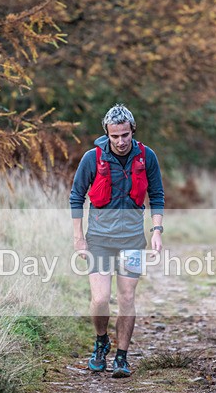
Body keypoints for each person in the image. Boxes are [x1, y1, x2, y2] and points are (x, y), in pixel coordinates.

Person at [69, 104, 165, 378]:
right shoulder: (92, 158)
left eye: (125, 135)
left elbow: (156, 195)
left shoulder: (147, 157)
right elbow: (77, 197)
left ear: (133, 131)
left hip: (133, 239)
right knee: (100, 299)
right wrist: (78, 237)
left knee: (126, 297)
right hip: (99, 239)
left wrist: (156, 230)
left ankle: (121, 357)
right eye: (115, 136)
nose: (121, 142)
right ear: (107, 135)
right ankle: (101, 342)